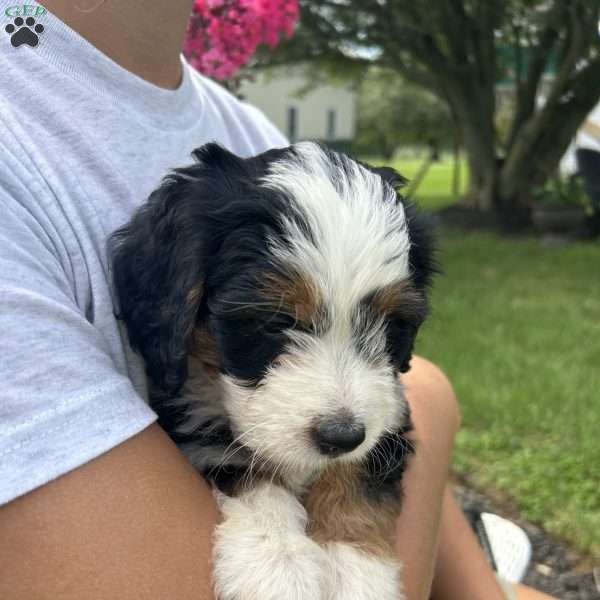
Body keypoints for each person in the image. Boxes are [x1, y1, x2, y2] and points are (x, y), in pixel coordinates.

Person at [0, 2, 556, 599]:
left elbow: (392, 410)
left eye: (385, 326)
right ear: (172, 302)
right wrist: (433, 403)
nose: (343, 410)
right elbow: (421, 395)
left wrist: (357, 531)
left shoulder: (247, 131)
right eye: (270, 322)